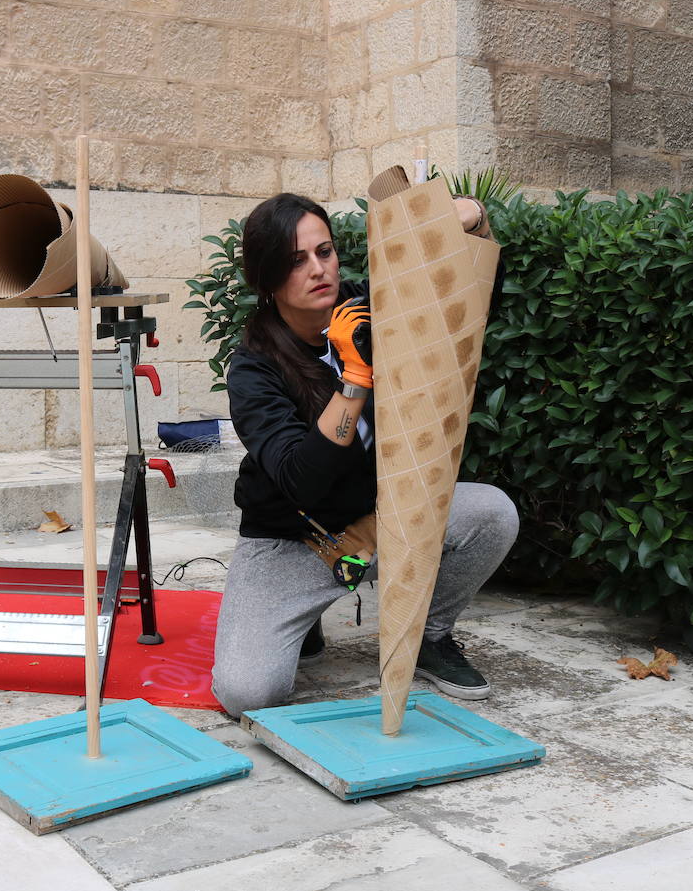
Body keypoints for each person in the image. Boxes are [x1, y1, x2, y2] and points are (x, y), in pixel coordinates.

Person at [210, 191, 519, 718]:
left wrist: (466, 218)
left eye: (324, 252)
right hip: (296, 540)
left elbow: (469, 291)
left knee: (492, 513)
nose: (317, 270)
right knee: (247, 694)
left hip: (382, 518)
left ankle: (427, 635)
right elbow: (302, 480)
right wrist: (354, 376)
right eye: (295, 261)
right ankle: (299, 619)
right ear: (265, 279)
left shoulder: (367, 305)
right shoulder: (254, 368)